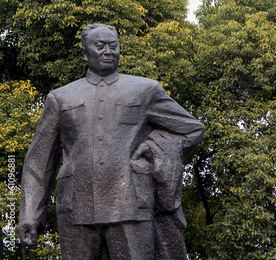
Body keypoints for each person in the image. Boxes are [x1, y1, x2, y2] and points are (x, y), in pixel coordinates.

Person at [18, 23, 204, 259]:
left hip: (131, 205)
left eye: (113, 46)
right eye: (100, 46)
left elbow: (191, 129)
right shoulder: (61, 98)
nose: (108, 51)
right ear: (85, 53)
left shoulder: (144, 90)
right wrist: (30, 214)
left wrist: (152, 148)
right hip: (76, 208)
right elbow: (39, 161)